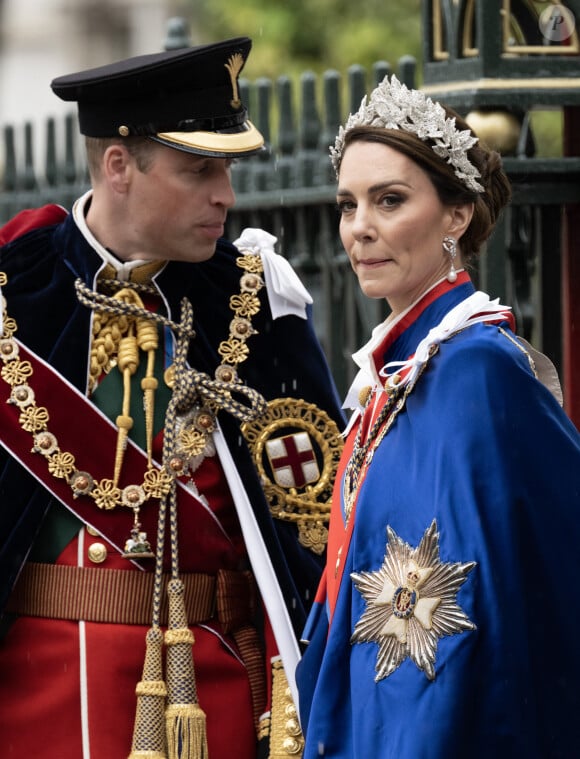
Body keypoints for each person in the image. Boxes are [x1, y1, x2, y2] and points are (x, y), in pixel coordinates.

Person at [0, 38, 346, 758]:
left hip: (207, 696)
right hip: (32, 703)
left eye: (227, 168)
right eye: (199, 170)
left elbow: (313, 532)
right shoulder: (15, 290)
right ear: (119, 166)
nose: (226, 193)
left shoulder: (255, 302)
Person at [296, 75, 580, 758]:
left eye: (389, 200)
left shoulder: (478, 369)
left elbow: (494, 607)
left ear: (456, 215)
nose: (359, 226)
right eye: (348, 204)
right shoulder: (396, 374)